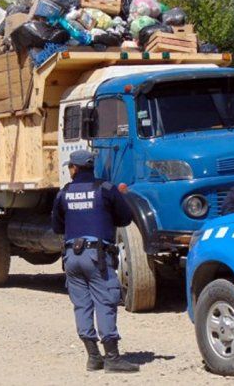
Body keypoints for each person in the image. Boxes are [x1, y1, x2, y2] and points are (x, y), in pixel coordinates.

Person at [51, 150, 139, 373]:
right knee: (106, 301)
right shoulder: (106, 189)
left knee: (81, 305)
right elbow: (126, 217)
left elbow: (57, 226)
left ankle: (93, 357)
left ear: (75, 168)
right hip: (97, 256)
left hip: (72, 256)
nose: (69, 171)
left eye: (69, 167)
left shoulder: (64, 193)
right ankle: (112, 358)